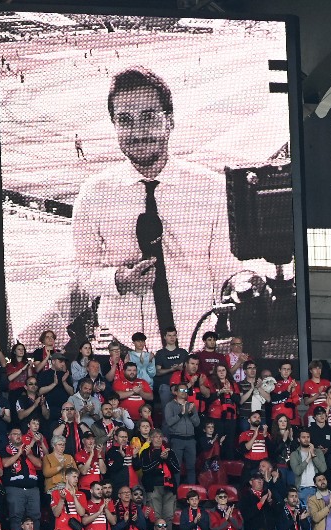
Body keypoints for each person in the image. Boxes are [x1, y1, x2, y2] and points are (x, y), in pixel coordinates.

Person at [67, 66, 247, 352]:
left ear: (170, 121)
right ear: (114, 125)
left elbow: (229, 272)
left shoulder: (212, 189)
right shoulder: (93, 194)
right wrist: (118, 280)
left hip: (196, 347)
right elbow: (83, 274)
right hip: (123, 349)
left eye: (149, 117)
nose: (138, 132)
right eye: (125, 120)